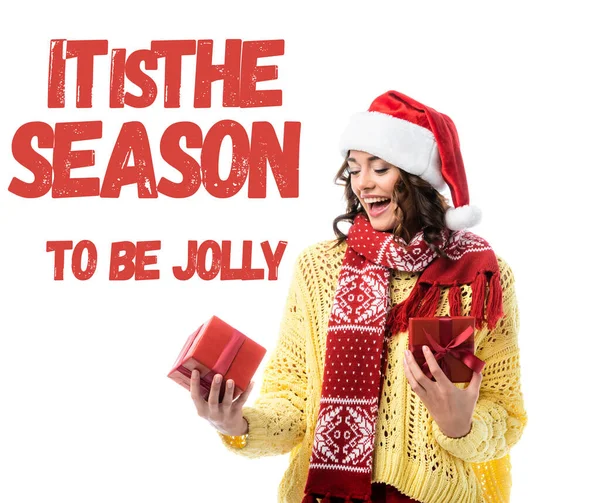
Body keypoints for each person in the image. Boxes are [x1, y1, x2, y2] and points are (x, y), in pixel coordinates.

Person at [190, 90, 528, 503]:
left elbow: (505, 414)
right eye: (353, 169)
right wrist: (237, 424)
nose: (363, 183)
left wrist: (460, 425)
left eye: (380, 167)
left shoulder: (480, 275)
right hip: (327, 494)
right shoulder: (317, 268)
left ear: (416, 176)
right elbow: (292, 401)